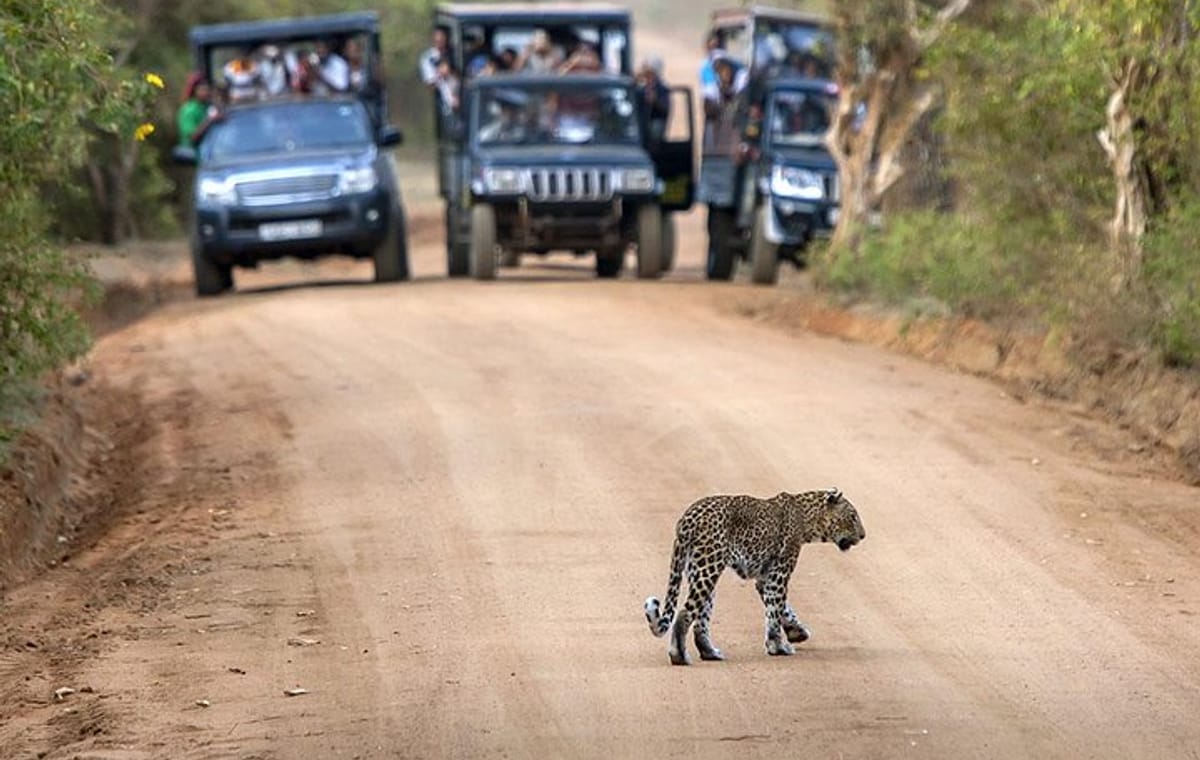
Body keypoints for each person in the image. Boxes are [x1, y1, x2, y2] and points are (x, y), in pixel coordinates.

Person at [177, 72, 221, 147]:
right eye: (203, 89)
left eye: (208, 89)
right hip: (193, 151)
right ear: (195, 91)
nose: (207, 92)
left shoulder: (207, 106)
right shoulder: (189, 110)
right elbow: (192, 137)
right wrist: (210, 120)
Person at [637, 55, 670, 142]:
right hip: (641, 125)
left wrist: (655, 101)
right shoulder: (641, 86)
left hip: (655, 122)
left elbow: (665, 108)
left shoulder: (662, 88)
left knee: (656, 129)